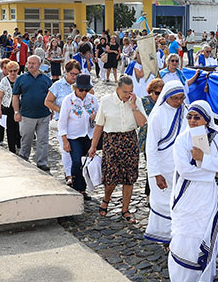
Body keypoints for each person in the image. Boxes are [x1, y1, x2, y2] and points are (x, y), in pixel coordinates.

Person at [167, 100, 218, 282]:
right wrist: (213, 174)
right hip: (187, 196)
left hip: (210, 197)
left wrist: (203, 159)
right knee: (184, 236)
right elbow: (185, 171)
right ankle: (181, 281)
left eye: (197, 117)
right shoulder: (182, 140)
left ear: (206, 119)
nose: (193, 121)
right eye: (190, 117)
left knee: (205, 234)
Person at [88, 75, 147, 223]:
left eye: (130, 92)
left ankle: (125, 209)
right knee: (111, 176)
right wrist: (93, 146)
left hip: (130, 140)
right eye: (125, 92)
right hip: (111, 140)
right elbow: (99, 125)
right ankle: (106, 199)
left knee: (129, 177)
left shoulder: (135, 100)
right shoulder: (106, 101)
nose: (128, 95)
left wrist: (133, 107)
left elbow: (142, 123)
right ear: (117, 90)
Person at [143, 82, 186, 243]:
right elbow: (151, 148)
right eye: (175, 98)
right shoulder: (158, 115)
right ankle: (166, 237)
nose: (179, 102)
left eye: (181, 98)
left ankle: (180, 235)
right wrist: (155, 173)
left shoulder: (186, 112)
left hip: (183, 167)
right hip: (163, 168)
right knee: (164, 203)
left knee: (181, 203)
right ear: (166, 97)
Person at [58, 73, 98, 200]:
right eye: (81, 90)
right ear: (75, 88)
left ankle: (82, 189)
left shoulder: (92, 99)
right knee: (76, 162)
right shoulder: (68, 100)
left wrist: (95, 117)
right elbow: (62, 122)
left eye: (86, 90)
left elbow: (99, 116)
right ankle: (76, 188)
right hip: (73, 136)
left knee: (86, 162)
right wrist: (64, 140)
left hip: (88, 135)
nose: (84, 93)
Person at [13, 55, 53, 171]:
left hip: (43, 115)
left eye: (33, 63)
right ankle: (23, 158)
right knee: (26, 139)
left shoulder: (46, 79)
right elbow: (15, 96)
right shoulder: (21, 79)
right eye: (29, 63)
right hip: (27, 115)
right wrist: (16, 112)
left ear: (39, 65)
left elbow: (51, 97)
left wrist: (52, 111)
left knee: (43, 140)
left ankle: (42, 162)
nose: (30, 65)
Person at [44, 60, 82, 183]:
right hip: (62, 122)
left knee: (79, 149)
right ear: (66, 72)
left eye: (77, 74)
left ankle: (79, 174)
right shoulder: (58, 85)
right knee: (66, 148)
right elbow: (48, 101)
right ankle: (69, 175)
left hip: (79, 122)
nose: (74, 77)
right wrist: (61, 110)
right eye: (72, 74)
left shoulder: (81, 85)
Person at [0, 59, 21, 152]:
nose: (13, 73)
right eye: (10, 71)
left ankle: (19, 145)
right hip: (7, 107)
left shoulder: (20, 79)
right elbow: (0, 97)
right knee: (10, 129)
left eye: (15, 70)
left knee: (18, 128)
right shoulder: (4, 81)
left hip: (19, 106)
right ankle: (12, 149)